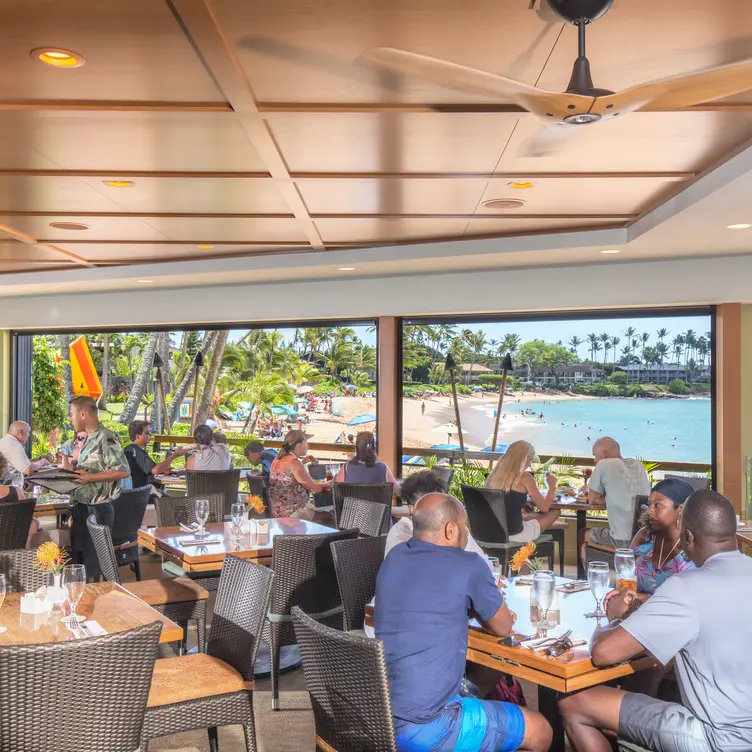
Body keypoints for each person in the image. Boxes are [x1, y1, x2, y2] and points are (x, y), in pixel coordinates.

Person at [559, 490, 752, 752]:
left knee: (573, 702)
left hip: (718, 738)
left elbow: (604, 652)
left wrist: (614, 618)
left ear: (688, 537)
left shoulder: (687, 587)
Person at [376, 492, 552, 752]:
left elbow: (428, 600)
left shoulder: (395, 558)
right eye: (464, 525)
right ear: (450, 530)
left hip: (380, 714)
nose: (467, 532)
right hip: (429, 726)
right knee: (540, 729)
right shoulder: (468, 564)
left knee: (488, 674)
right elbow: (504, 628)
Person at [68, 396, 130, 580]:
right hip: (82, 509)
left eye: (72, 414)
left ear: (83, 414)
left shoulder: (106, 436)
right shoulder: (87, 440)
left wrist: (90, 478)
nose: (71, 419)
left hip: (98, 510)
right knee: (79, 565)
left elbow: (123, 470)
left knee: (92, 567)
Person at [385, 470, 490, 565]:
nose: (439, 510)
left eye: (442, 503)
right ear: (412, 509)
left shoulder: (454, 529)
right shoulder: (402, 532)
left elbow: (484, 562)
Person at [583, 437, 650, 557]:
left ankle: (587, 572)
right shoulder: (637, 464)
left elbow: (592, 499)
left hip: (621, 540)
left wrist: (604, 498)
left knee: (584, 533)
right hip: (643, 537)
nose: (594, 460)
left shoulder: (603, 464)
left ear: (604, 453)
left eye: (595, 456)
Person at [485, 440, 561, 542]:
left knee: (533, 515)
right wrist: (552, 487)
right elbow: (545, 508)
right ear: (525, 458)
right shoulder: (525, 477)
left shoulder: (494, 475)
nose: (530, 464)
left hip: (491, 532)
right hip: (515, 534)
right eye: (530, 459)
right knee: (555, 512)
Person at [631, 477, 695, 595]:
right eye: (649, 504)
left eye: (657, 505)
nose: (649, 510)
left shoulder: (694, 548)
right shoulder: (644, 537)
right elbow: (626, 576)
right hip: (637, 611)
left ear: (680, 509)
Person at [268, 429, 331, 518]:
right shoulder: (293, 462)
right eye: (306, 442)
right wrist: (333, 482)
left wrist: (302, 463)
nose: (308, 445)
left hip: (278, 511)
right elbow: (315, 489)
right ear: (298, 445)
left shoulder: (278, 459)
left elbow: (289, 475)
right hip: (293, 513)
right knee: (329, 517)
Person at [123, 420, 187, 494]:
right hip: (139, 494)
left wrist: (162, 469)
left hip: (133, 492)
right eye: (147, 433)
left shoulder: (129, 449)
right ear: (138, 436)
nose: (150, 435)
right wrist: (174, 455)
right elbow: (155, 470)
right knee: (170, 501)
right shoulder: (137, 452)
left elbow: (152, 469)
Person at [333, 431, 399, 493]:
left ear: (356, 448)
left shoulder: (346, 467)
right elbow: (397, 490)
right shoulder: (383, 468)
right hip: (376, 505)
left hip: (351, 505)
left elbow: (335, 485)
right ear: (373, 448)